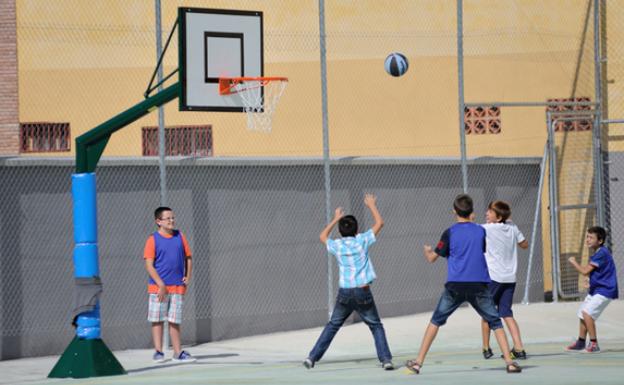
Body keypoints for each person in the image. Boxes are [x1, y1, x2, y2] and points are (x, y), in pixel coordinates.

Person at [405, 194, 521, 374]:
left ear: (454, 211)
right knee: (495, 322)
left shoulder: (449, 232)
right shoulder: (481, 231)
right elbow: (480, 248)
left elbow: (432, 259)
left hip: (455, 285)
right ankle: (510, 362)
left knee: (436, 321)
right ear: (472, 212)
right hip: (478, 285)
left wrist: (428, 251)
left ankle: (418, 362)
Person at [303, 194, 394, 370]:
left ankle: (312, 357)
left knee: (333, 325)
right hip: (362, 291)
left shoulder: (337, 245)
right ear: (357, 229)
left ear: (340, 231)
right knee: (376, 326)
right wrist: (371, 205)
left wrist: (335, 218)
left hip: (344, 292)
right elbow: (380, 223)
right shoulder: (362, 241)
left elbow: (322, 236)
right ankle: (386, 360)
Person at [144, 207, 196, 363]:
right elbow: (149, 265)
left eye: (173, 218)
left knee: (175, 320)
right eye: (168, 218)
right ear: (158, 221)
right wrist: (161, 285)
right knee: (157, 319)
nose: (172, 221)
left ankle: (178, 353)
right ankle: (158, 352)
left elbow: (188, 257)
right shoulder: (152, 239)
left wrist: (187, 276)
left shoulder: (180, 236)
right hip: (158, 288)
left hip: (177, 287)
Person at [480, 200, 529, 360]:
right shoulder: (513, 227)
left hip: (493, 278)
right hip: (509, 278)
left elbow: (472, 232)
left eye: (490, 212)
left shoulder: (487, 228)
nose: (486, 213)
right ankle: (519, 348)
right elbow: (524, 244)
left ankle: (486, 348)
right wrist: (510, 225)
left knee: (486, 313)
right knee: (507, 313)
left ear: (498, 216)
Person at [565, 226, 619, 353]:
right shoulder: (598, 252)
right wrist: (590, 280)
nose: (588, 240)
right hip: (597, 289)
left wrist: (574, 262)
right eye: (587, 237)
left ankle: (594, 344)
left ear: (600, 241)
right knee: (582, 312)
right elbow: (601, 272)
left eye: (591, 238)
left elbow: (584, 271)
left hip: (605, 291)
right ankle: (581, 342)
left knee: (587, 313)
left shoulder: (601, 253)